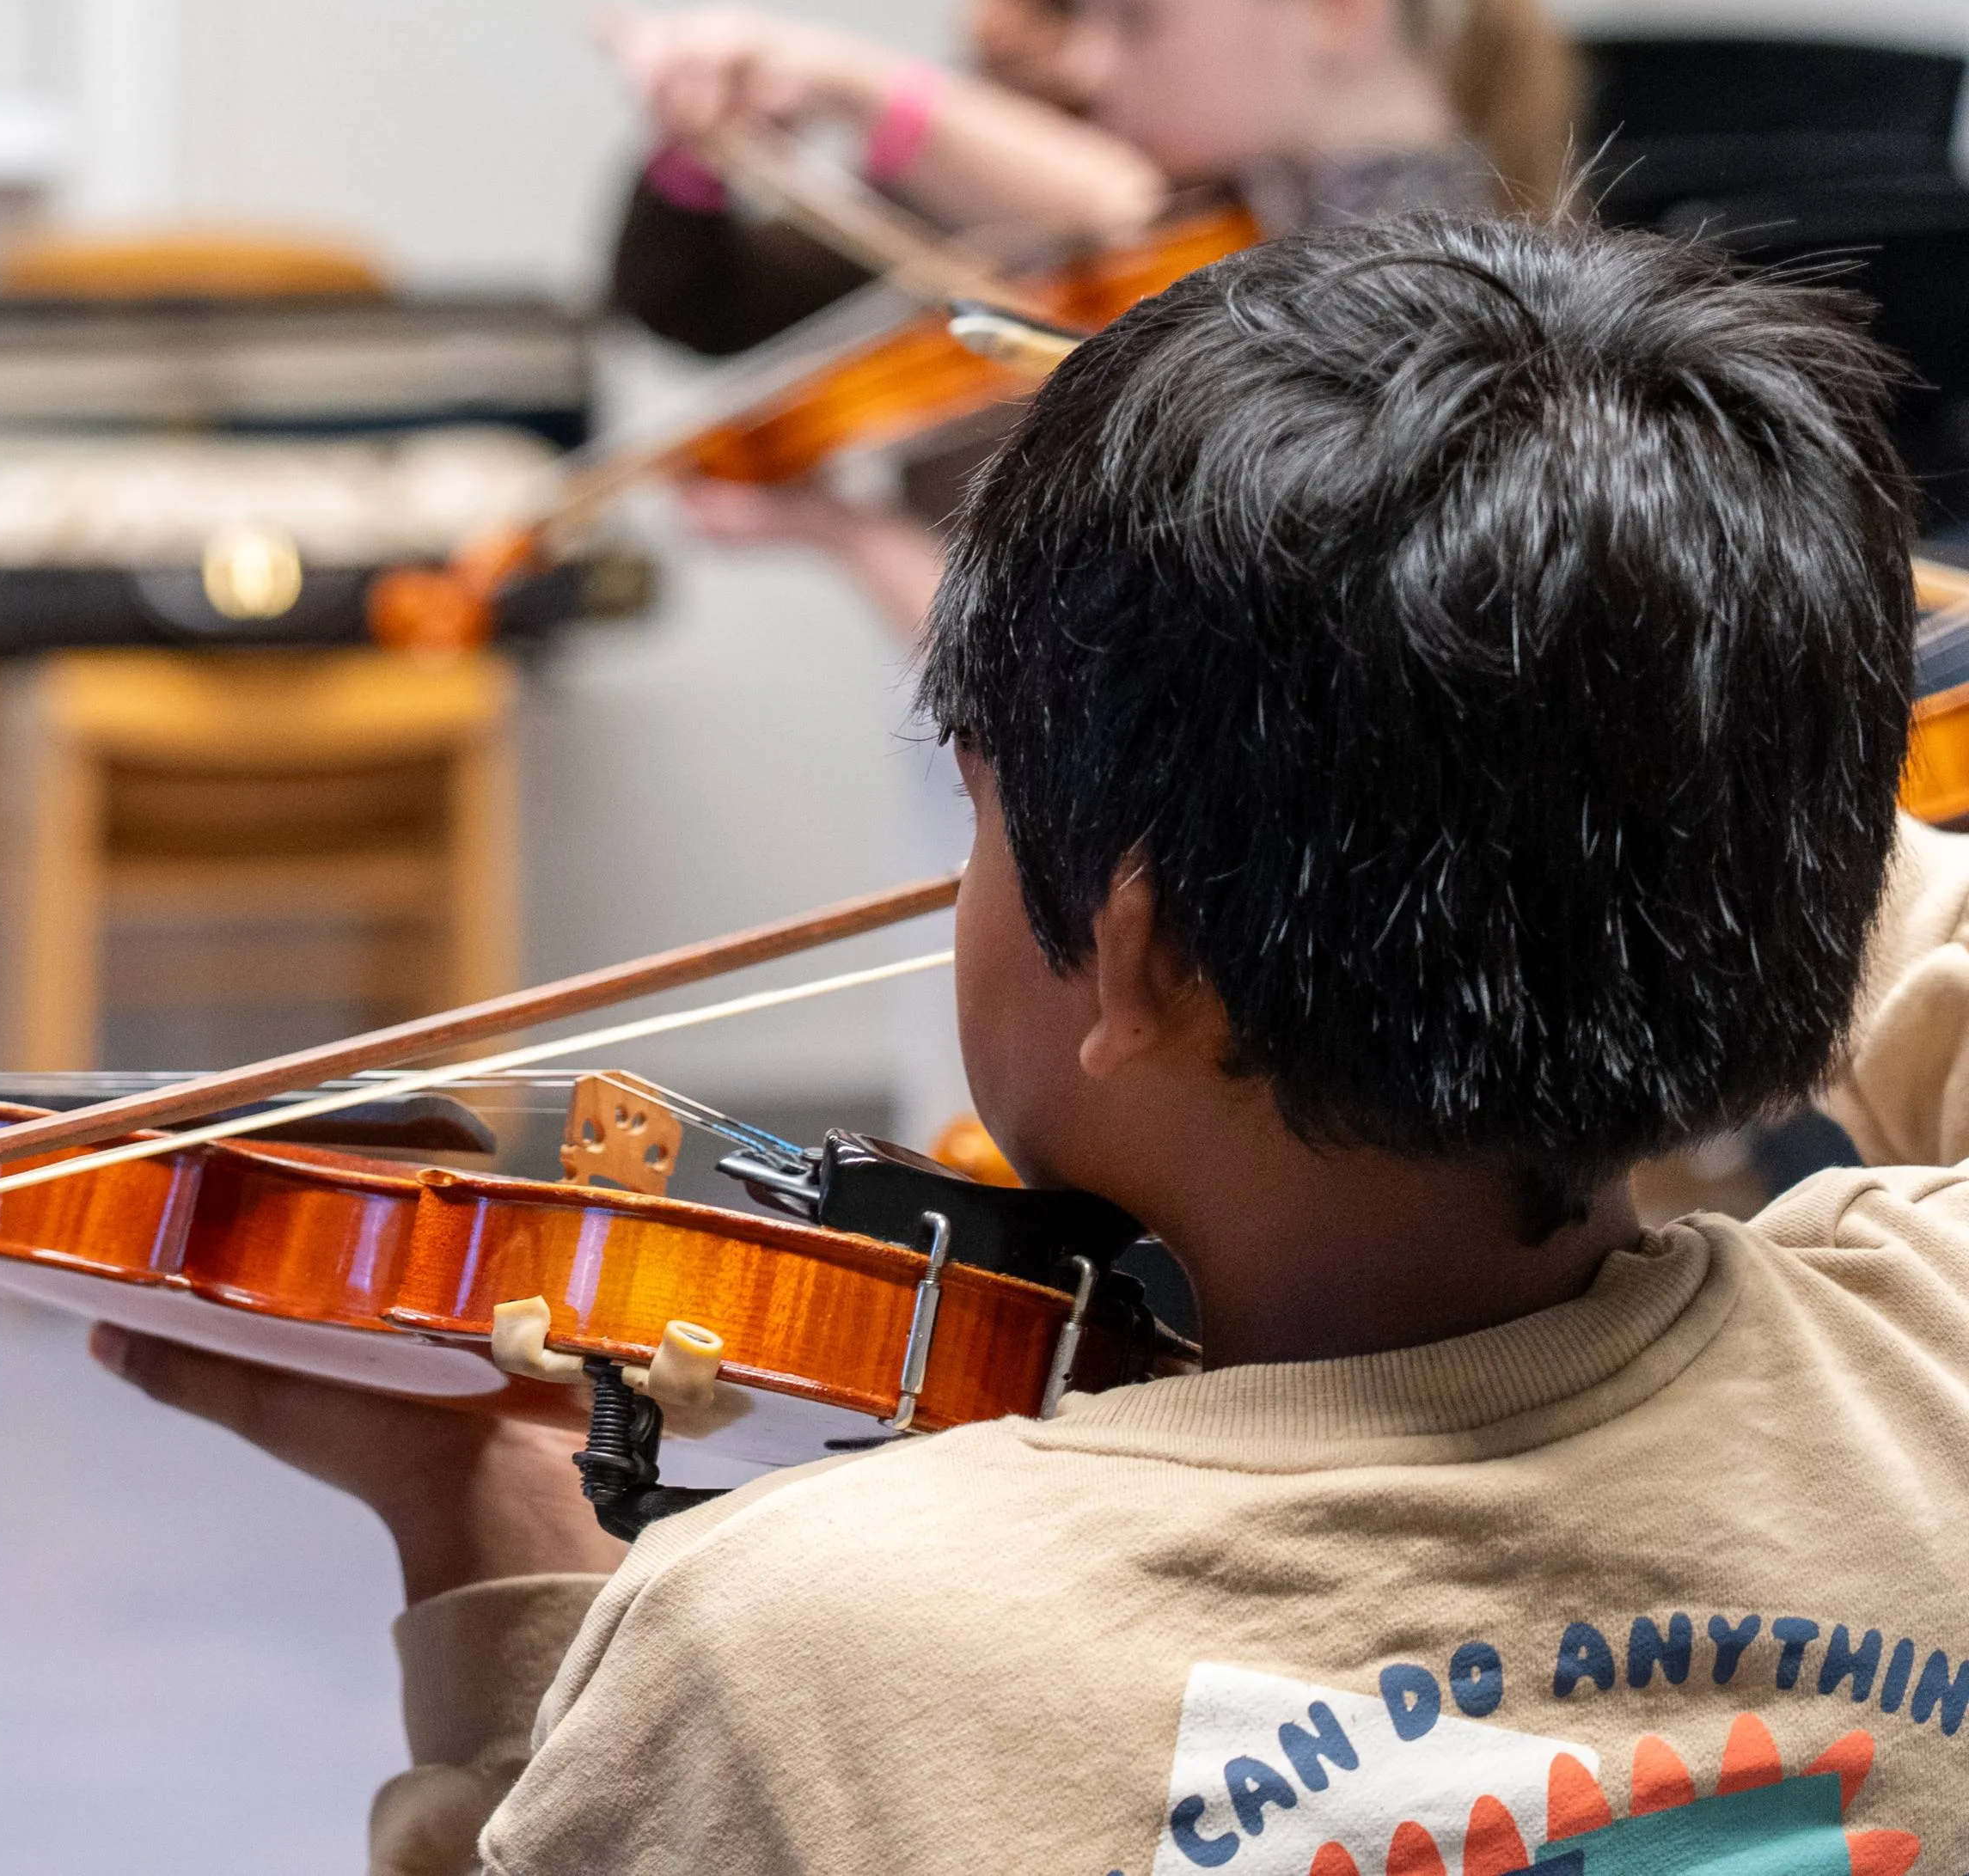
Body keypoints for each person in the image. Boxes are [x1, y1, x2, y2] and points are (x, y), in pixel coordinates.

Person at [98, 212, 1969, 1872]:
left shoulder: (807, 1643)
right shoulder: (1934, 1350)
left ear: (1141, 959)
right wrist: (1696, 749)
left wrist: (490, 1541)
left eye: (982, 811)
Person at [604, 0, 1580, 642]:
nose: (1088, 63)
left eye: (1134, 14)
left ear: (1336, 8)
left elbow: (1135, 705)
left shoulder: (1400, 329)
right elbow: (1101, 202)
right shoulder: (1292, 225)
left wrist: (851, 536)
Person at [602, 0, 1117, 363]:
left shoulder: (1201, 211)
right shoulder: (935, 177)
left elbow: (1129, 214)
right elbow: (705, 308)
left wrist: (854, 83)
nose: (988, 20)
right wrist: (698, 147)